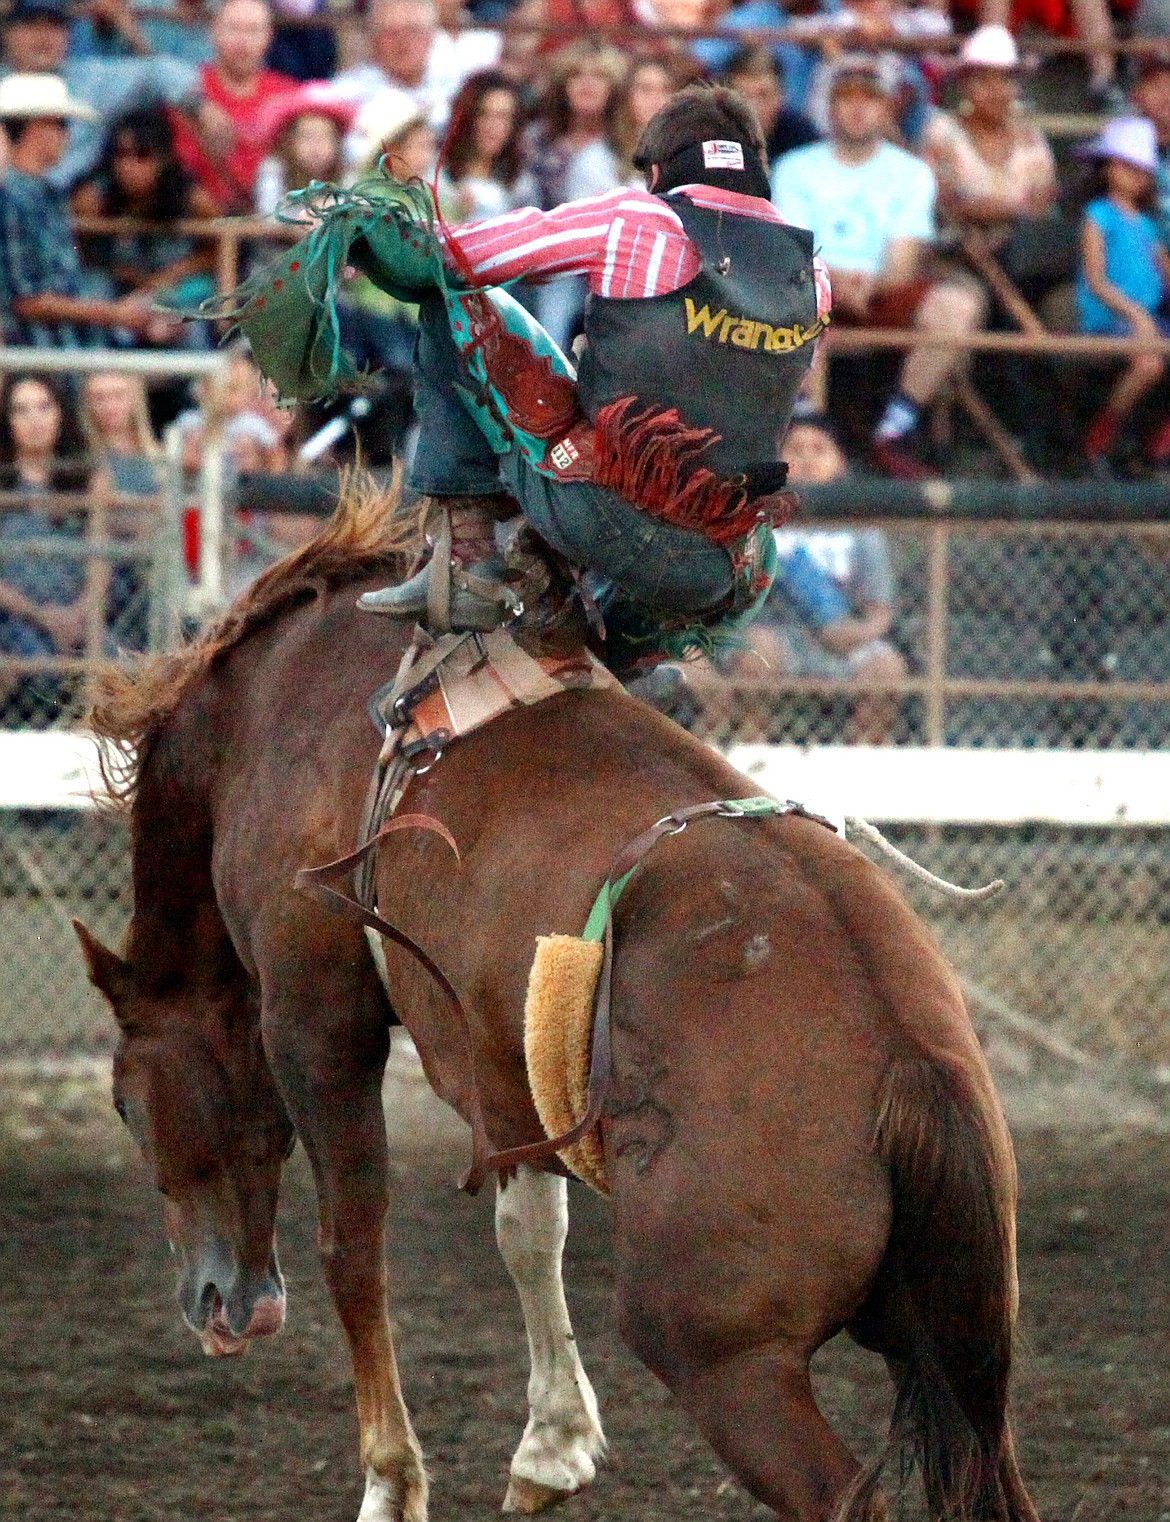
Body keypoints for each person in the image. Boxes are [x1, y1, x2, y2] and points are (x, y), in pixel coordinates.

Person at [227, 84, 830, 658]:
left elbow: (455, 256)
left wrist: (361, 229)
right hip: (725, 568)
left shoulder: (636, 220)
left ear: (656, 173)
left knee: (456, 295)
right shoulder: (813, 277)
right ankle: (631, 658)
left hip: (604, 518)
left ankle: (467, 558)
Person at [772, 56, 984, 479]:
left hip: (881, 289)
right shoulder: (794, 167)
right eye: (846, 97)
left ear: (887, 107)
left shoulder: (911, 173)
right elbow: (791, 250)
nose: (857, 107)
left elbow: (904, 258)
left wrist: (867, 283)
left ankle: (895, 429)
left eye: (869, 98)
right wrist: (834, 280)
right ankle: (808, 429)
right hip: (813, 287)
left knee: (958, 304)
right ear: (829, 107)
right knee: (796, 292)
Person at [744, 415, 907, 743]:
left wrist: (854, 634)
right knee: (757, 653)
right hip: (775, 634)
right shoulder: (755, 521)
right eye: (795, 449)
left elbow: (880, 610)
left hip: (843, 640)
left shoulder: (860, 527)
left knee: (888, 667)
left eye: (819, 449)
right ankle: (753, 753)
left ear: (840, 462)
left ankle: (859, 759)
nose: (805, 459)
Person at [0, 73, 180, 347]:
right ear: (38, 129)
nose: (66, 135)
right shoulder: (12, 199)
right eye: (61, 124)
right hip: (35, 349)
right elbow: (26, 301)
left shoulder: (50, 195)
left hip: (68, 343)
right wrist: (115, 314)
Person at [0, 0, 201, 190]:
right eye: (32, 26)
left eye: (55, 27)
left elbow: (160, 72)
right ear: (8, 33)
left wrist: (201, 106)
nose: (43, 37)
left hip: (64, 202)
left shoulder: (91, 80)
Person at [0, 375, 104, 719]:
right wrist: (40, 615)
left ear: (61, 414)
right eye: (21, 411)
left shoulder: (88, 477)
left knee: (116, 666)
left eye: (45, 407)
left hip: (80, 611)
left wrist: (81, 610)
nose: (35, 421)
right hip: (14, 615)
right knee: (37, 669)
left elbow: (102, 555)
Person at [1076, 117, 1170, 465]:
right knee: (1149, 364)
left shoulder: (1147, 225)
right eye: (1125, 165)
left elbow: (1164, 271)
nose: (1134, 174)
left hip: (1149, 317)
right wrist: (1135, 313)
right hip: (1111, 316)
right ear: (1108, 169)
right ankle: (1104, 430)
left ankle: (1162, 440)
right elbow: (1097, 281)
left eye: (1141, 169)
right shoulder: (1097, 215)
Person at [72, 107, 218, 311]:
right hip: (112, 292)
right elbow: (74, 250)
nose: (129, 167)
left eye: (143, 156)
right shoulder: (92, 199)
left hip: (174, 291)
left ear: (164, 159)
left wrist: (173, 273)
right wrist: (113, 270)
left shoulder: (193, 199)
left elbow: (217, 251)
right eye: (122, 155)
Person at [169, 0, 297, 214]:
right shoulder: (189, 90)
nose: (243, 41)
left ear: (268, 36)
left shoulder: (289, 95)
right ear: (213, 32)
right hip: (197, 220)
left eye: (254, 30)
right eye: (234, 29)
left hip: (271, 221)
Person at [78, 370, 163, 650]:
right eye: (99, 398)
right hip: (111, 583)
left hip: (157, 579)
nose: (109, 406)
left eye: (118, 396)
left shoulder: (157, 457)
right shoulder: (84, 460)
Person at [437, 70, 538, 222]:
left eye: (503, 117)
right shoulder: (436, 174)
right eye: (483, 114)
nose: (493, 126)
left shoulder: (521, 184)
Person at [722, 45, 818, 172]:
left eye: (763, 95)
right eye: (742, 97)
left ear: (782, 96)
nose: (753, 107)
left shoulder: (802, 137)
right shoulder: (712, 137)